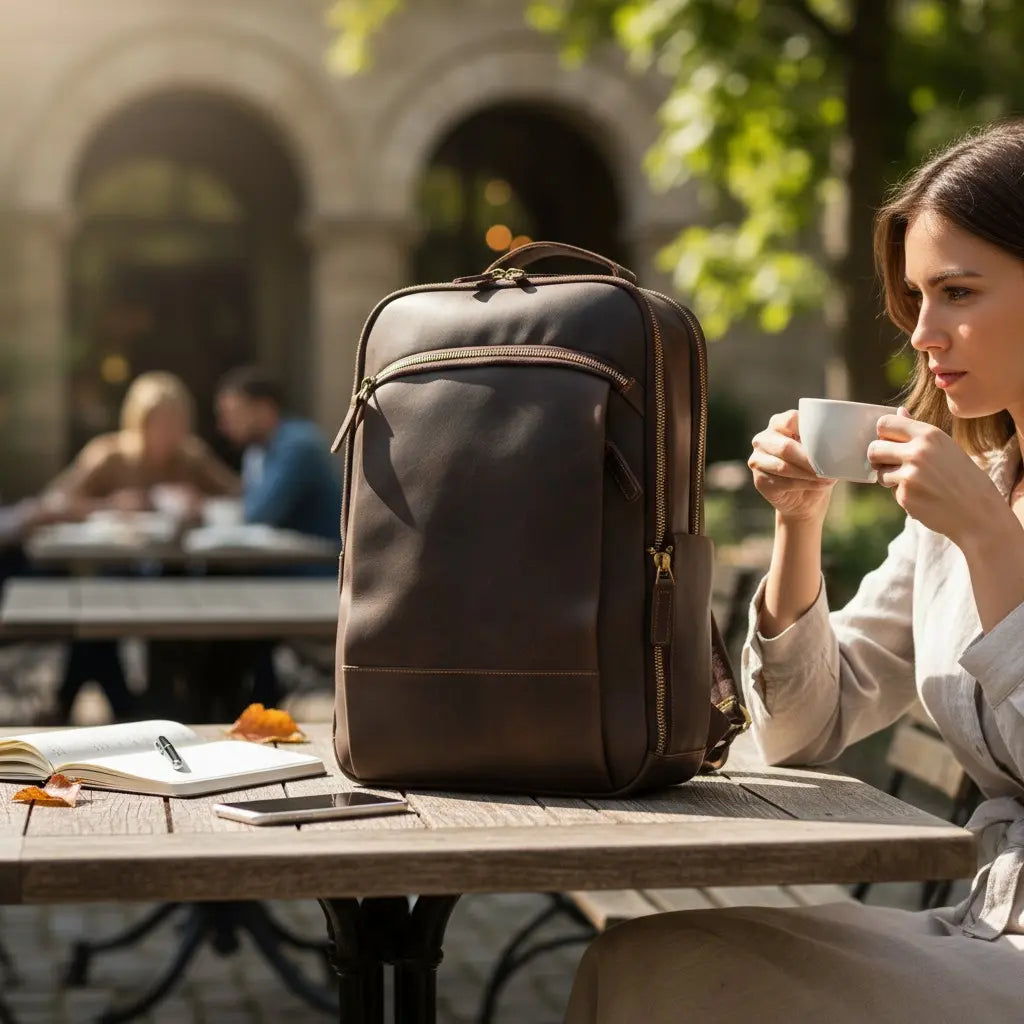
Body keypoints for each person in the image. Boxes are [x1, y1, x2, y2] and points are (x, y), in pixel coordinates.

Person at [564, 119, 1024, 1022]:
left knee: (674, 984)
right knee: (637, 956)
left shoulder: (972, 512)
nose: (923, 333)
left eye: (957, 292)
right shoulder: (978, 494)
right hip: (984, 925)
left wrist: (990, 542)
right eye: (917, 298)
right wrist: (799, 526)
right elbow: (806, 730)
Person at [38, 371, 240, 725]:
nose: (166, 431)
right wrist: (110, 505)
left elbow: (240, 497)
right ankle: (129, 705)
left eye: (175, 422)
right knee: (98, 609)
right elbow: (54, 501)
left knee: (182, 602)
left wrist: (200, 504)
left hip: (169, 571)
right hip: (114, 566)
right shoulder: (109, 454)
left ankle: (149, 703)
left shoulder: (191, 457)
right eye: (157, 422)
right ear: (136, 420)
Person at [214, 365, 341, 548]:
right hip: (284, 557)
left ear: (264, 408)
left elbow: (259, 512)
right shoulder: (256, 451)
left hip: (316, 564)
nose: (224, 425)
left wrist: (206, 510)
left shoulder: (298, 445)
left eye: (233, 413)